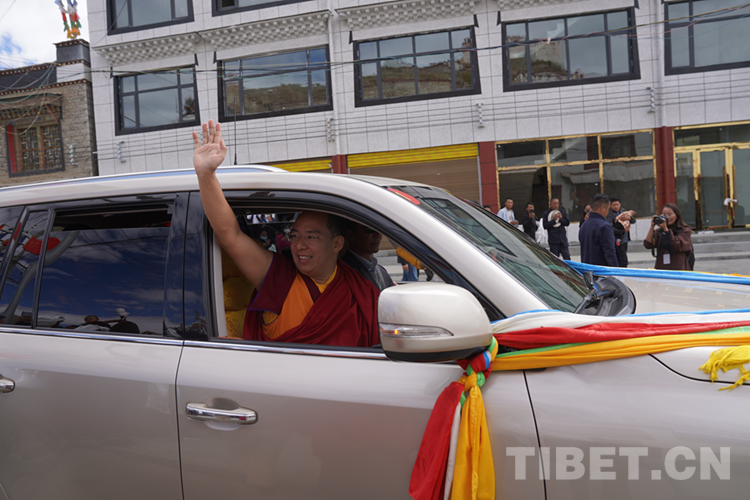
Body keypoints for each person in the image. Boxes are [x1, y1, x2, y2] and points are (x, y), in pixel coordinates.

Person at [192, 120, 380, 347]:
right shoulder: (281, 278)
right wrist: (206, 175)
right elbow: (230, 235)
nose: (299, 245)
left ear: (337, 243)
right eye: (295, 235)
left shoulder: (358, 289)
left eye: (311, 237)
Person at [342, 222, 395, 291]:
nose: (377, 235)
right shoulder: (345, 272)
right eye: (370, 229)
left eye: (380, 229)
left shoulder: (380, 270)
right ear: (350, 235)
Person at [644, 203, 693, 270]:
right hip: (661, 268)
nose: (666, 217)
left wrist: (666, 230)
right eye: (664, 215)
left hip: (679, 268)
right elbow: (648, 244)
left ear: (677, 216)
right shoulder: (659, 231)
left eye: (669, 214)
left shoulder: (685, 230)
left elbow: (677, 245)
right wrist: (652, 226)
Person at [578, 194, 619, 267]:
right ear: (603, 208)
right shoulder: (604, 226)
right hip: (602, 271)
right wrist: (616, 271)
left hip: (587, 270)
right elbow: (610, 253)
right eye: (607, 209)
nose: (607, 212)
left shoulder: (584, 225)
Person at [606, 198, 637, 267]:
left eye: (617, 204)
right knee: (622, 256)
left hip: (625, 238)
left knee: (623, 253)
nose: (616, 206)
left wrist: (630, 218)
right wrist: (622, 231)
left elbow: (634, 221)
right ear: (610, 206)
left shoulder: (624, 212)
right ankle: (623, 267)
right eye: (614, 205)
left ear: (620, 204)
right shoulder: (610, 215)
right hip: (618, 239)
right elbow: (611, 228)